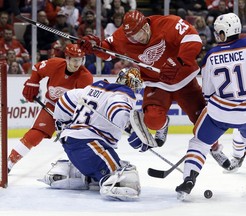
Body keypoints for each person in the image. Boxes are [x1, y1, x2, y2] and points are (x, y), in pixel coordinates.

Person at [175, 13, 246, 200]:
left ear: (223, 32)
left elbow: (208, 92)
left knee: (199, 143)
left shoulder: (210, 56)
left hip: (221, 113)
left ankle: (188, 180)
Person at [78, 9, 206, 149]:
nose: (135, 40)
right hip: (157, 83)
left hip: (184, 79)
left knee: (203, 122)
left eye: (137, 35)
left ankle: (215, 148)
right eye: (131, 38)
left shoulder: (168, 24)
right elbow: (109, 52)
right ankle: (163, 126)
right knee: (152, 120)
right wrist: (95, 47)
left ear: (145, 27)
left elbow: (193, 38)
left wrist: (180, 61)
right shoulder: (123, 36)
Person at [40, 67, 146, 201]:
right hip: (91, 145)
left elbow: (64, 100)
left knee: (104, 166)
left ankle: (79, 174)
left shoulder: (93, 87)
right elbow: (119, 112)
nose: (136, 90)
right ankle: (101, 176)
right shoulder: (123, 93)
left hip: (71, 142)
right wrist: (132, 129)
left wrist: (63, 124)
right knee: (125, 176)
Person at [7, 44, 93, 172]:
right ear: (67, 58)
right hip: (52, 106)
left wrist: (71, 121)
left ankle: (86, 169)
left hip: (72, 113)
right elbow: (37, 69)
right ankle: (9, 162)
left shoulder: (85, 77)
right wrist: (33, 82)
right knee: (36, 133)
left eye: (80, 60)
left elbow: (84, 104)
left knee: (78, 141)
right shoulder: (56, 64)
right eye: (74, 59)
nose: (77, 63)